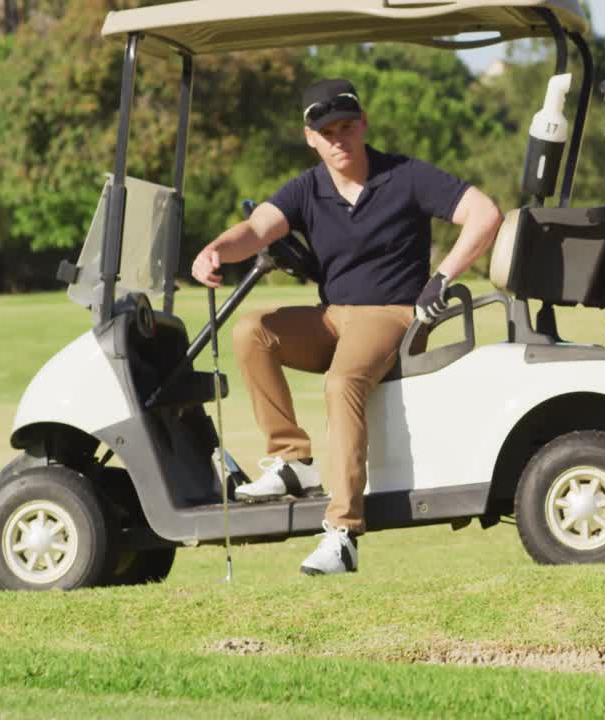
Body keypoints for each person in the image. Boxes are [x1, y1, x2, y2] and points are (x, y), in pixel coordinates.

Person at [191, 79, 502, 576]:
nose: (339, 139)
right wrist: (214, 251)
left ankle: (343, 532)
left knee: (342, 381)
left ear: (363, 125)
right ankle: (292, 460)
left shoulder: (405, 175)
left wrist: (443, 277)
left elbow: (485, 213)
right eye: (327, 132)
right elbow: (254, 231)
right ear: (310, 138)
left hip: (394, 315)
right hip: (336, 316)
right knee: (252, 329)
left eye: (346, 127)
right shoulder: (307, 187)